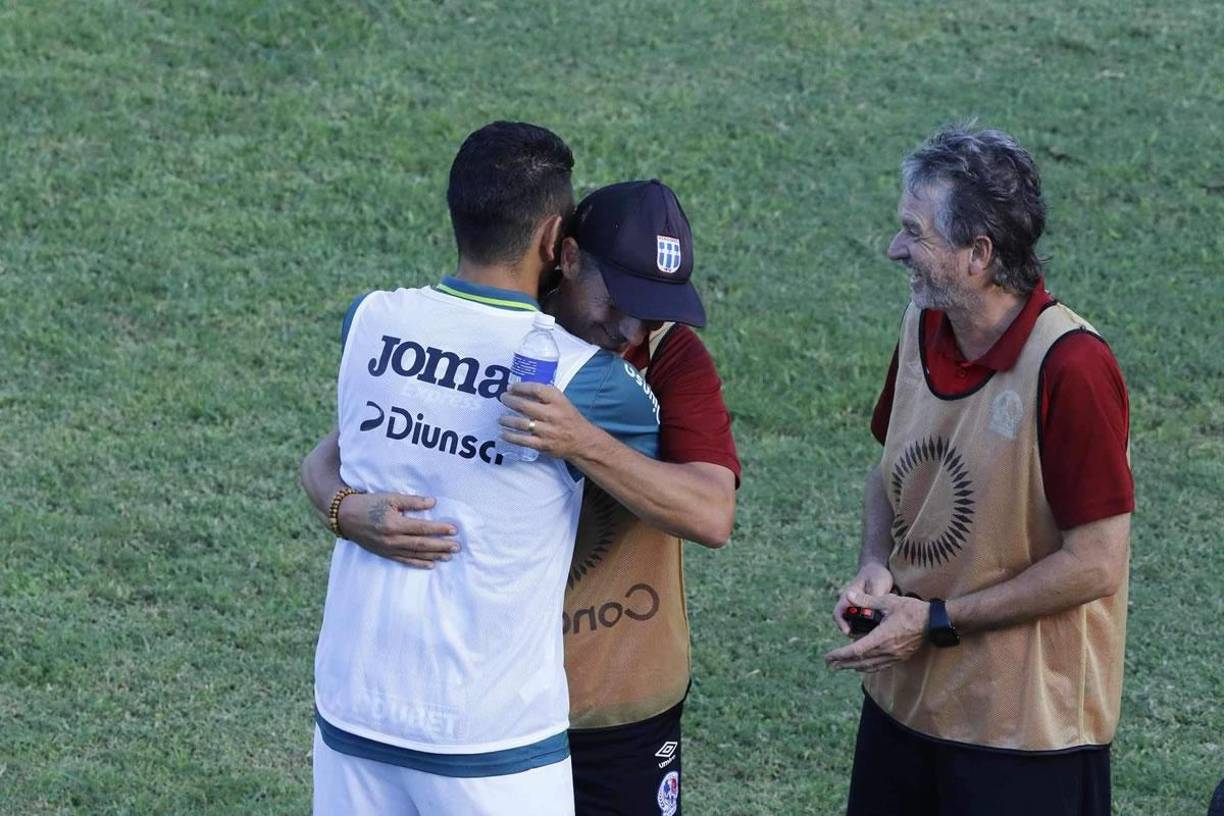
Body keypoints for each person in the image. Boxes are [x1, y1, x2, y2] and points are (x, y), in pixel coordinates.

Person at [302, 179, 741, 815]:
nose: (629, 327)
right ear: (564, 257)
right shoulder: (494, 334)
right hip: (487, 709)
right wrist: (347, 511)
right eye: (619, 298)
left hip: (615, 708)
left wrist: (583, 441)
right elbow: (331, 456)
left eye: (652, 307)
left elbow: (711, 513)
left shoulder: (673, 355)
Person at [825, 126, 1133, 816]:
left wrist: (937, 618)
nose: (893, 248)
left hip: (1024, 735)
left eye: (914, 232)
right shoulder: (922, 323)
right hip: (905, 707)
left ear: (979, 254)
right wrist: (876, 562)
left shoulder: (1074, 369)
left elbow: (1096, 564)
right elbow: (892, 467)